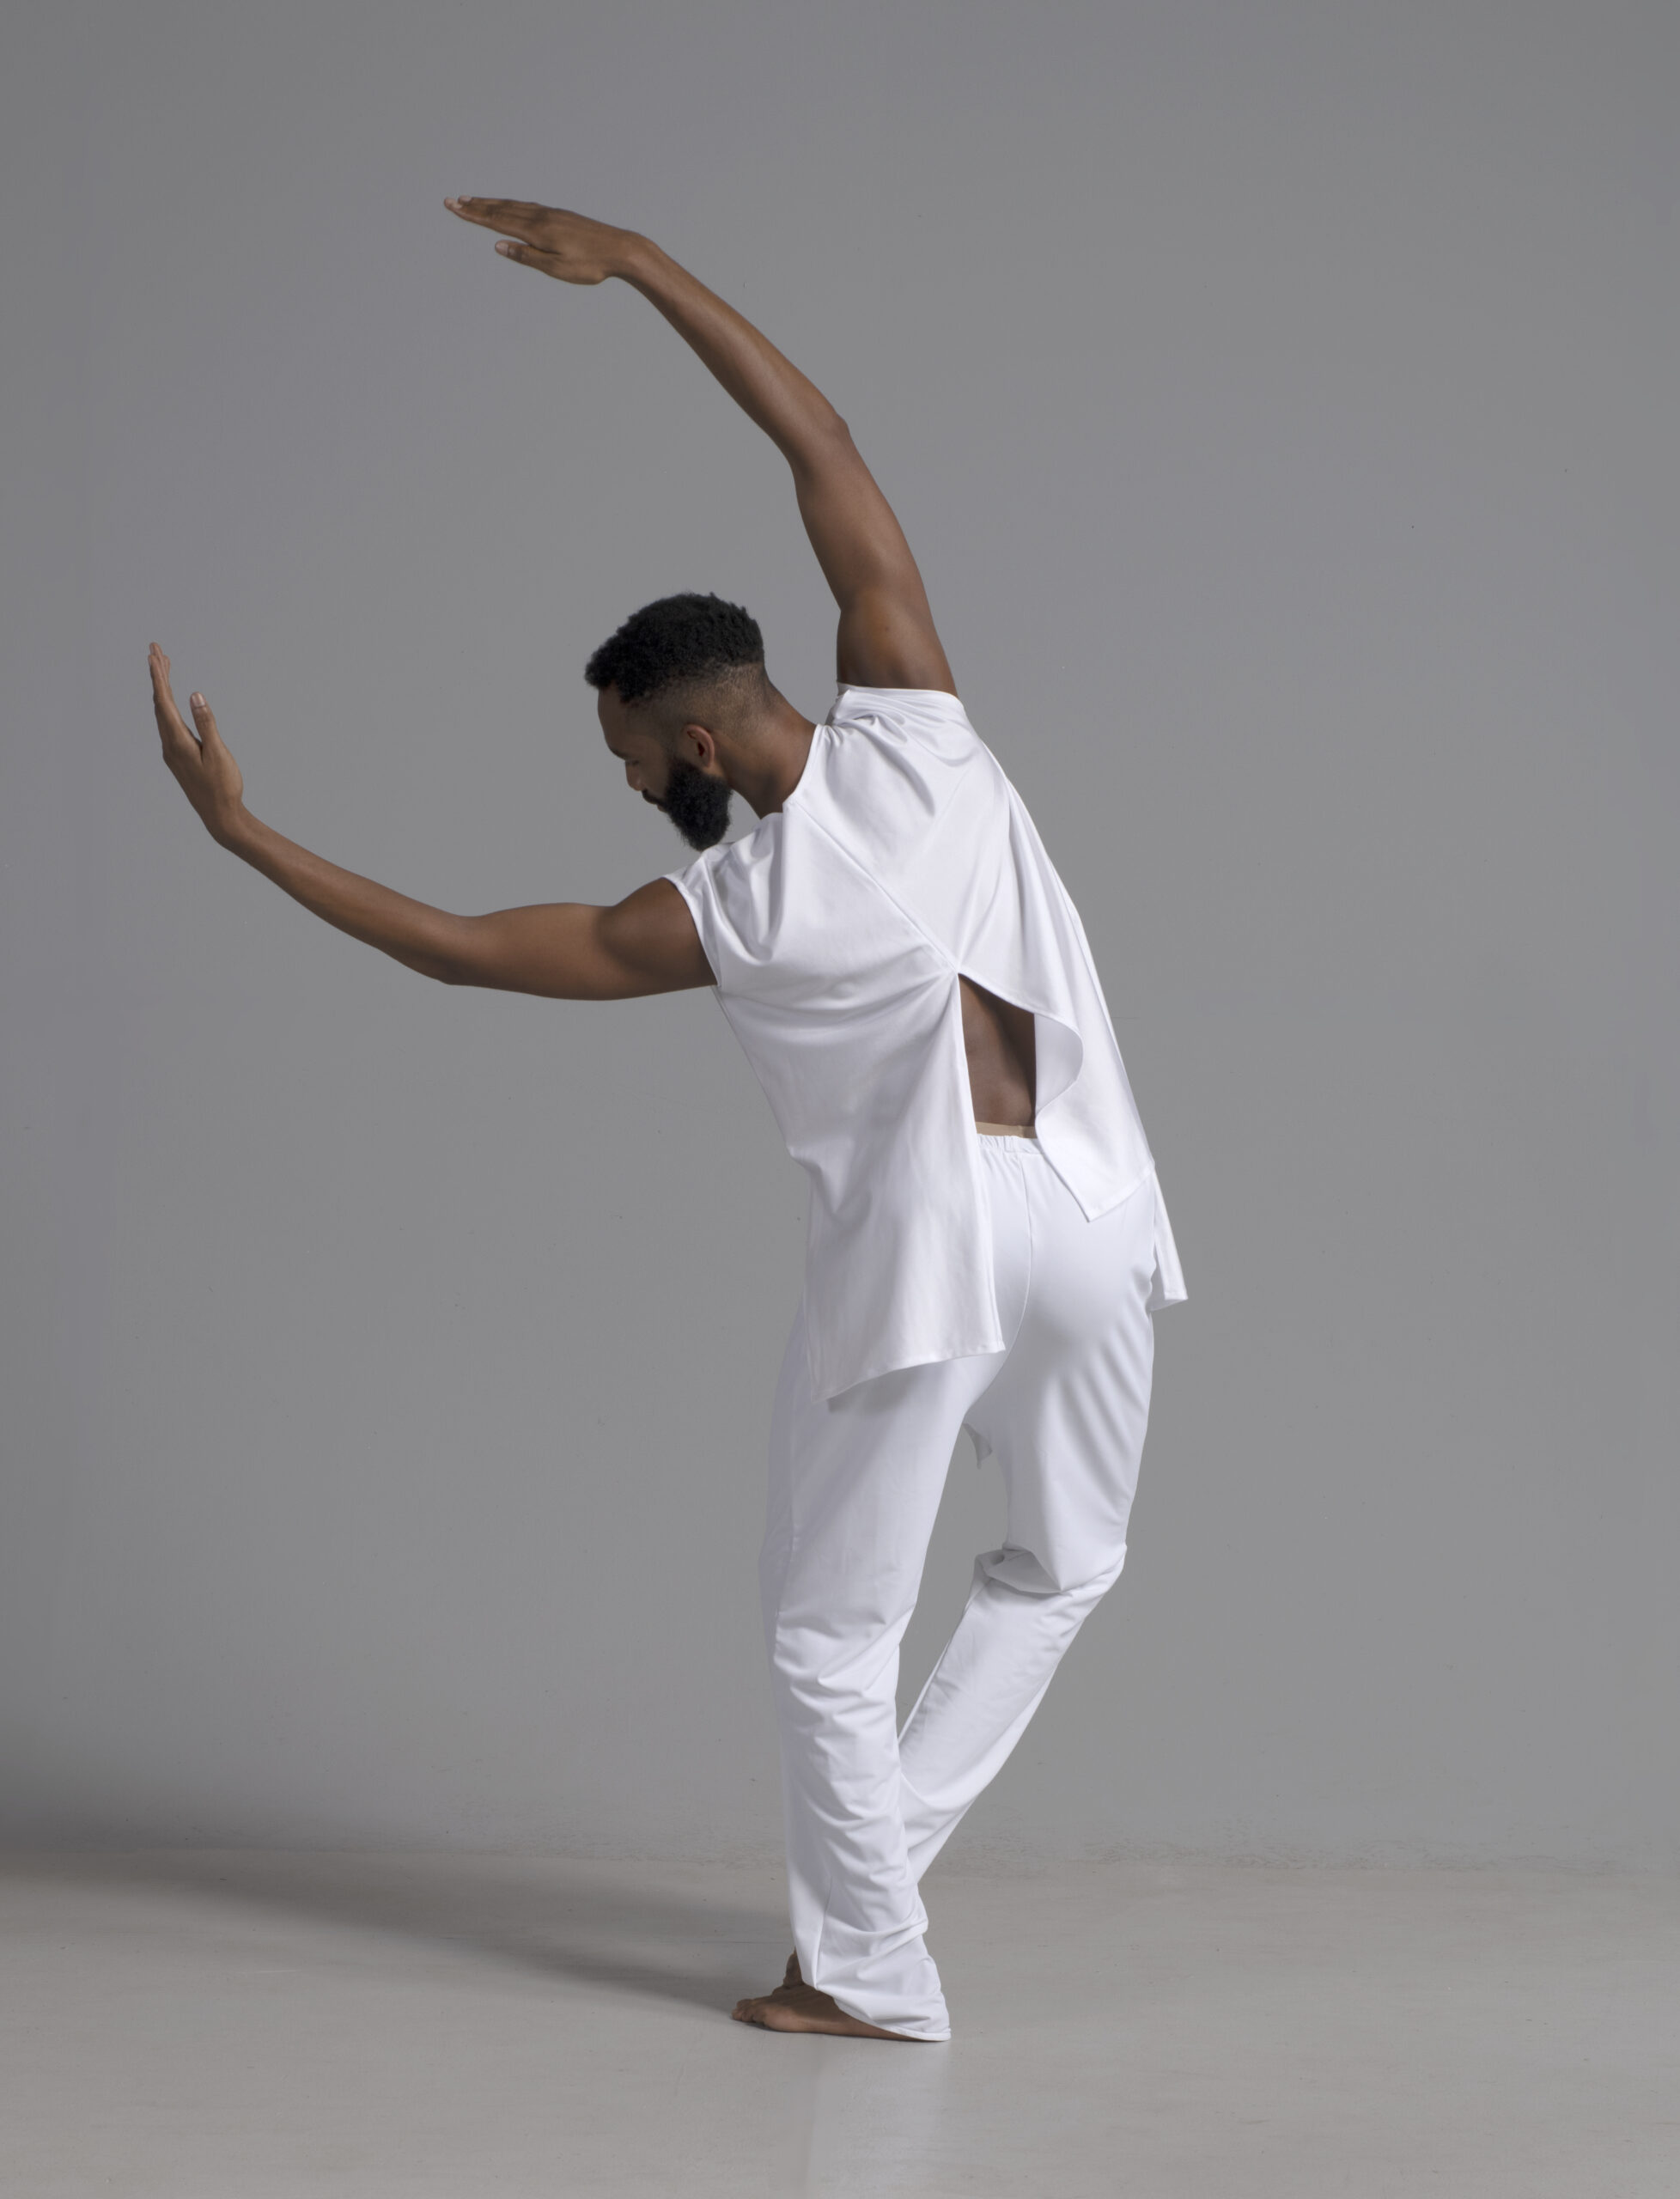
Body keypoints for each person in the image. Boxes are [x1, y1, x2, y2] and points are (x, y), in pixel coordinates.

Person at [149, 198, 1186, 2044]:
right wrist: (641, 265)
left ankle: (863, 1965)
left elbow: (465, 950)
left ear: (697, 743)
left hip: (937, 1256)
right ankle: (869, 1901)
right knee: (1062, 1568)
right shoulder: (926, 727)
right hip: (1098, 1209)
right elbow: (823, 444)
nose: (631, 786)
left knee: (827, 1633)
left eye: (631, 758)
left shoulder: (732, 910)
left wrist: (246, 838)